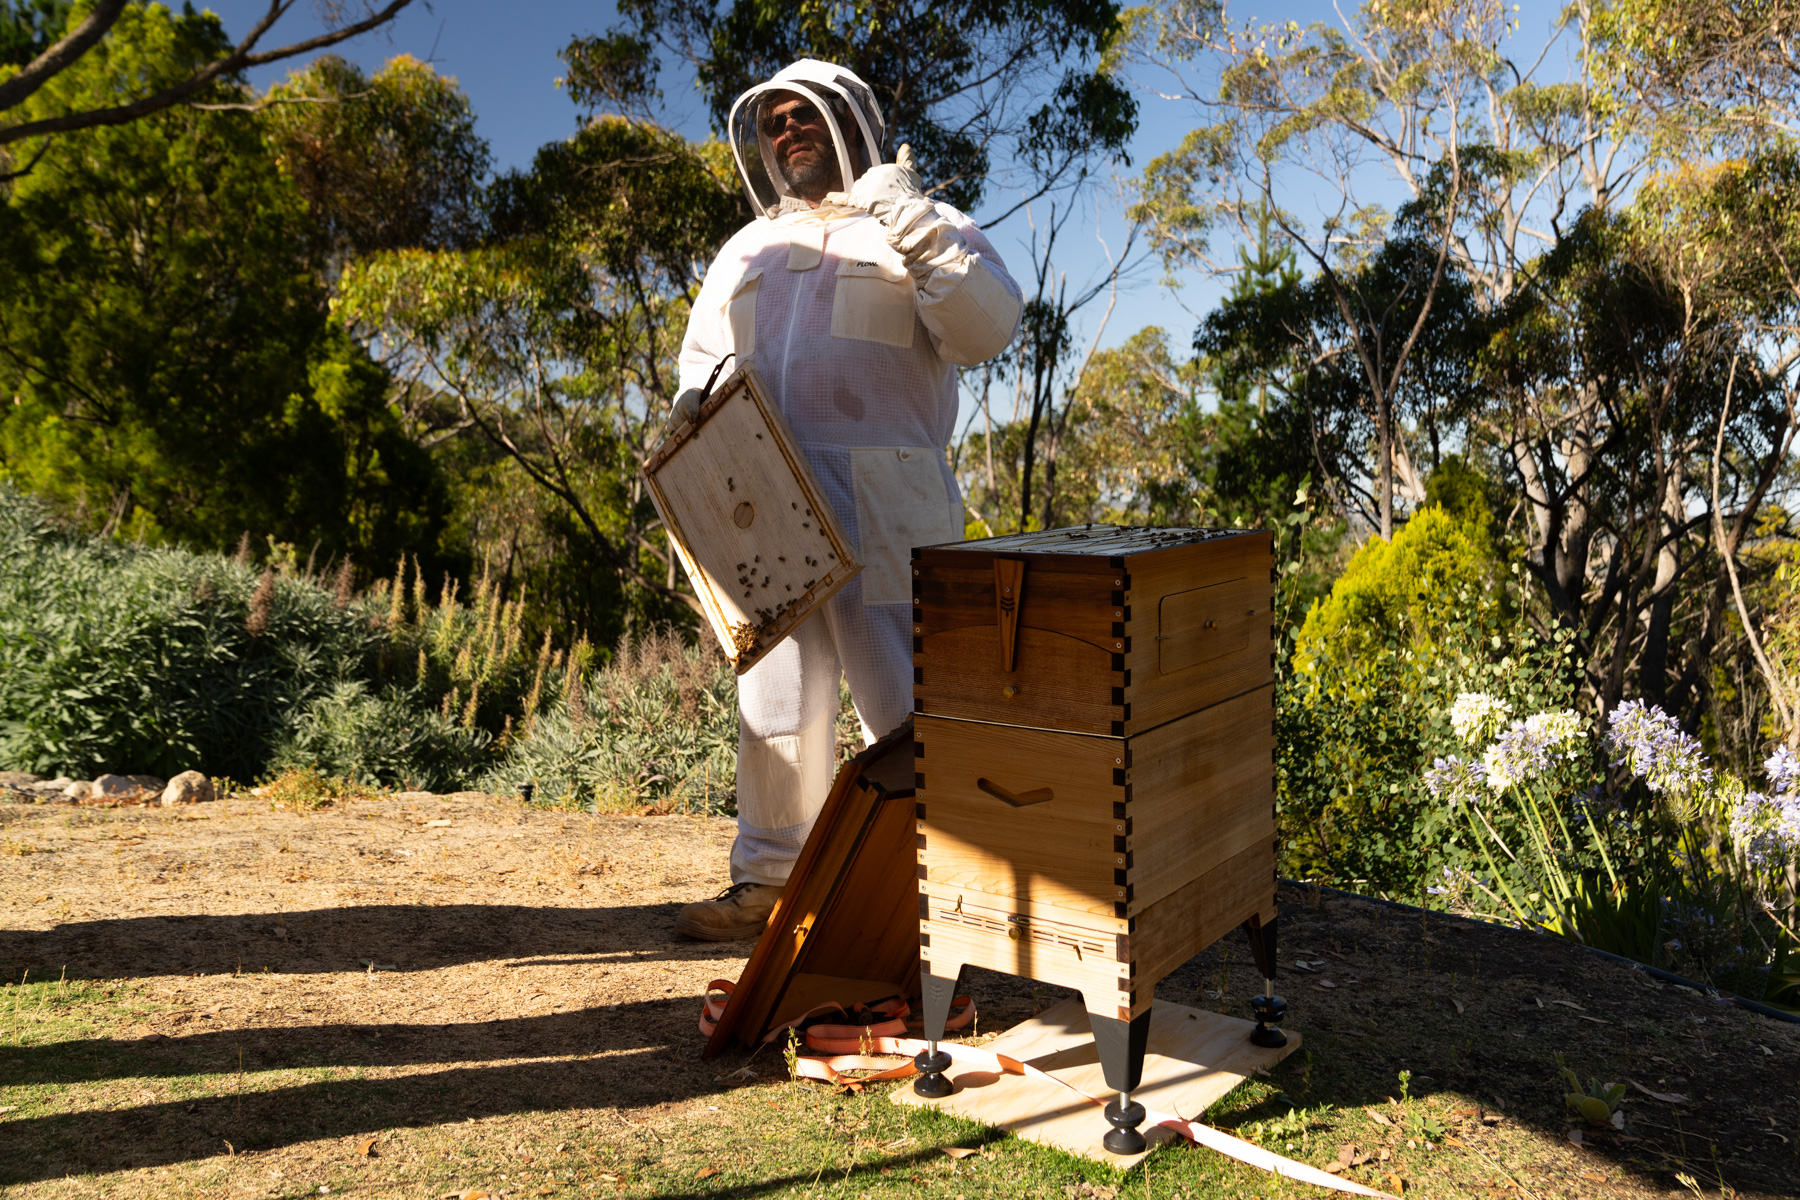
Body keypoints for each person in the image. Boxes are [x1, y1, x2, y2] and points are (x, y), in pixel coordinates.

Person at [668, 59, 1022, 940]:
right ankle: (770, 886)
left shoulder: (926, 222)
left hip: (886, 500)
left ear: (850, 120)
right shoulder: (744, 251)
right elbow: (699, 365)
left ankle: (947, 900)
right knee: (775, 704)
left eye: (806, 115)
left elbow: (987, 327)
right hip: (765, 502)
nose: (789, 131)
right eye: (774, 120)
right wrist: (689, 424)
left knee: (907, 701)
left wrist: (906, 215)